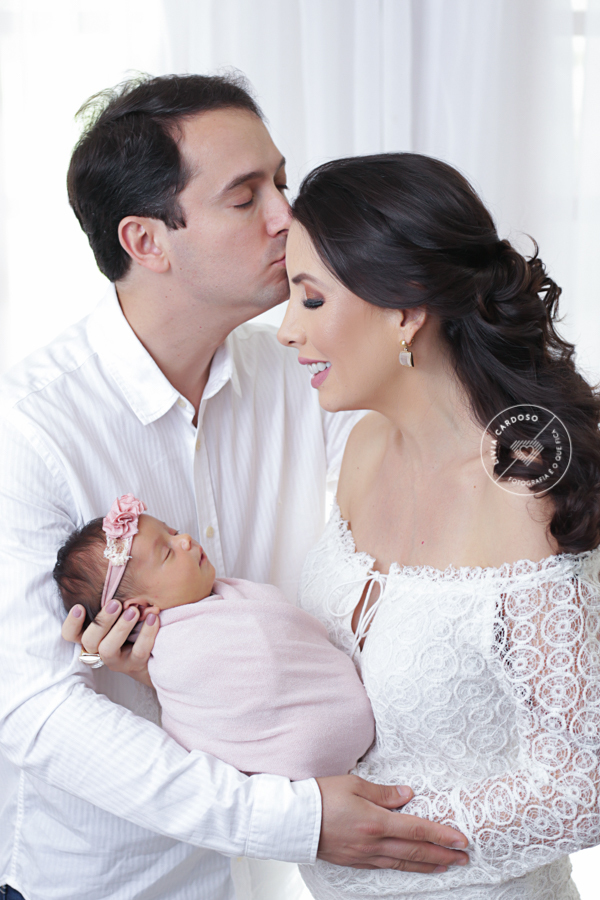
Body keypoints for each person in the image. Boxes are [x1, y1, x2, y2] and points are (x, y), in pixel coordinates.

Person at [0, 76, 468, 900]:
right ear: (147, 241)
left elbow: (435, 486)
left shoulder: (307, 371)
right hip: (108, 880)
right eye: (247, 197)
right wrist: (290, 820)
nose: (288, 218)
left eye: (282, 183)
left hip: (272, 881)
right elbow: (33, 709)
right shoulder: (29, 429)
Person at [278, 152, 600, 900]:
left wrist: (367, 831)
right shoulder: (363, 451)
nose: (288, 330)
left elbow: (586, 782)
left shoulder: (525, 494)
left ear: (404, 310)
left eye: (312, 299)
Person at [54, 493, 375, 779]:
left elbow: (290, 640)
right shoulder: (174, 652)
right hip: (292, 767)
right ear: (140, 608)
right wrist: (91, 659)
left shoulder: (227, 596)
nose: (185, 541)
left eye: (173, 532)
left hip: (350, 733)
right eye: (167, 553)